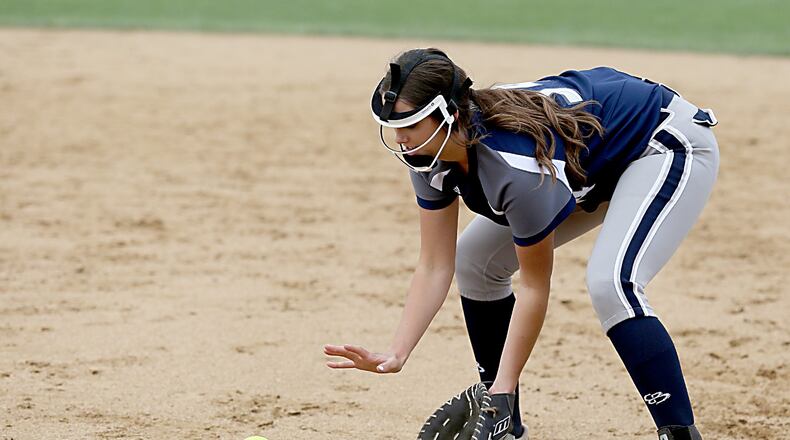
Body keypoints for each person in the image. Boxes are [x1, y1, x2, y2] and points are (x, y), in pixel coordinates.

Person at [323, 48, 719, 440]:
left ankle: (679, 433)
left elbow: (534, 287)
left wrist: (504, 388)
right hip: (587, 162)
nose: (400, 138)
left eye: (411, 123)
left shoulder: (518, 170)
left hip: (660, 144)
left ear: (450, 115)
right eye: (393, 124)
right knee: (475, 262)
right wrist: (397, 352)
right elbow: (434, 265)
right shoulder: (431, 153)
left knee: (612, 283)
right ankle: (505, 425)